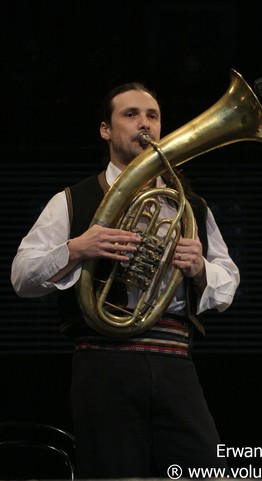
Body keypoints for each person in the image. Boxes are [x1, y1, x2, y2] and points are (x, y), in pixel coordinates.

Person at [11, 82, 240, 479]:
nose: (144, 124)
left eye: (152, 116)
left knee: (205, 473)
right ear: (106, 129)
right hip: (103, 362)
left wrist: (201, 268)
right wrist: (77, 248)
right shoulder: (72, 199)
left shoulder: (189, 203)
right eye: (130, 115)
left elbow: (228, 282)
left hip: (174, 361)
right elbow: (21, 277)